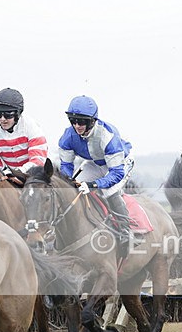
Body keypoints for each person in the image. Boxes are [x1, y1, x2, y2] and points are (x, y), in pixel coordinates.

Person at [56, 95, 142, 246]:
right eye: (73, 121)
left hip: (120, 164)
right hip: (95, 162)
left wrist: (94, 185)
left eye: (82, 121)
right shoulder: (67, 137)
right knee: (74, 187)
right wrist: (69, 183)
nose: (77, 125)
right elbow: (66, 167)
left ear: (92, 120)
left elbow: (116, 174)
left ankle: (125, 231)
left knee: (109, 191)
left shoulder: (107, 136)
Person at [0, 87, 48, 179]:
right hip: (8, 177)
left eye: (7, 114)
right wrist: (8, 174)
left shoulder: (31, 127)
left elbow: (38, 160)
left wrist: (18, 172)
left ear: (18, 113)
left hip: (33, 176)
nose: (2, 119)